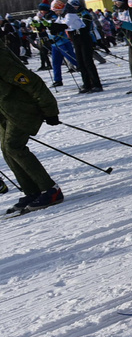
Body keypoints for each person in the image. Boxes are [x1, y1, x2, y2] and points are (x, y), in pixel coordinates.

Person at [1, 45, 63, 214]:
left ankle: (51, 190)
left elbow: (31, 82)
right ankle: (33, 191)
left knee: (14, 146)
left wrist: (49, 110)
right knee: (7, 150)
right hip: (5, 111)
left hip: (21, 109)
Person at [49, 0, 102, 93]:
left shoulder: (70, 14)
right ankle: (87, 84)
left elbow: (65, 25)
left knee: (87, 62)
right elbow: (58, 23)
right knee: (80, 62)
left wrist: (56, 28)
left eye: (56, 10)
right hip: (76, 39)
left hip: (83, 38)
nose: (55, 12)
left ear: (60, 8)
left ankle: (96, 84)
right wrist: (49, 27)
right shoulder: (62, 15)